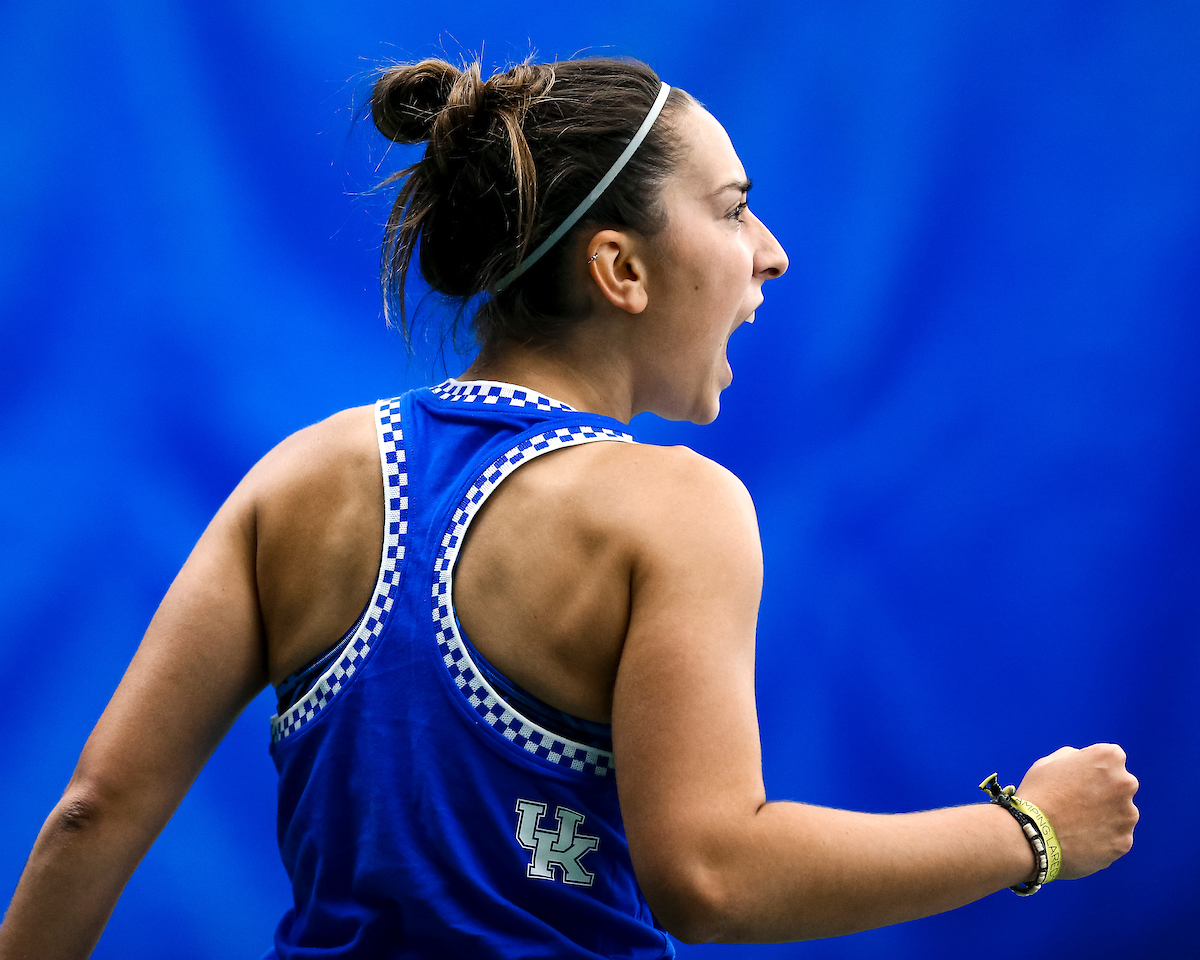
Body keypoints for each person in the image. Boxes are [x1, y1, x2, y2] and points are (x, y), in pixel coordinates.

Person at [0, 55, 1138, 959]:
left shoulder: (292, 480)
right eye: (735, 209)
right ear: (621, 270)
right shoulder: (674, 510)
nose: (772, 256)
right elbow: (710, 878)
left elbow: (92, 813)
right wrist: (1028, 834)